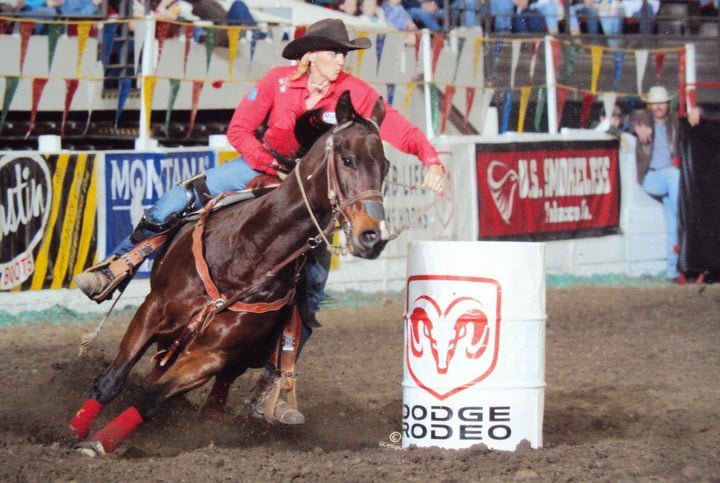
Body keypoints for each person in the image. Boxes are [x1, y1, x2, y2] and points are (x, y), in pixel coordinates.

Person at [73, 18, 445, 423]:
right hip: (259, 166)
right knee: (171, 203)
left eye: (343, 54)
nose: (340, 61)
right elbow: (240, 131)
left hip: (306, 196)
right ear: (309, 56)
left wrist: (430, 158)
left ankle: (274, 383)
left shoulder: (354, 93)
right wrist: (273, 164)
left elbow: (396, 126)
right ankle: (117, 266)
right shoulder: (277, 82)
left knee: (313, 288)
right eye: (333, 53)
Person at [628, 86, 702, 282]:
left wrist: (698, 111)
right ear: (649, 105)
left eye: (662, 103)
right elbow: (628, 121)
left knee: (674, 223)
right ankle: (687, 216)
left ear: (667, 105)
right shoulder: (643, 118)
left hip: (670, 183)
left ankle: (673, 271)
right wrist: (637, 127)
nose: (658, 107)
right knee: (674, 175)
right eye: (655, 103)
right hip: (652, 178)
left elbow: (692, 120)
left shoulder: (673, 122)